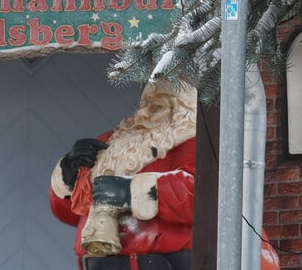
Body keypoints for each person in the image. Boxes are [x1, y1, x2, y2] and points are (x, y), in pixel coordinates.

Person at [49, 80, 279, 270]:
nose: (155, 103)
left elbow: (212, 196)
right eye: (151, 99)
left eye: (169, 100)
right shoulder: (116, 142)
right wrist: (68, 174)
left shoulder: (206, 141)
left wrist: (131, 192)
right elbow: (67, 213)